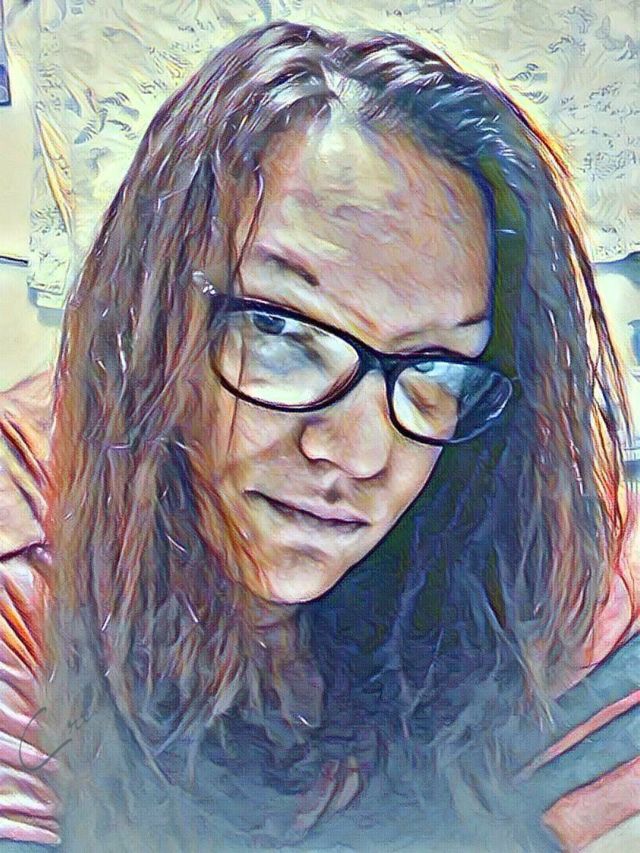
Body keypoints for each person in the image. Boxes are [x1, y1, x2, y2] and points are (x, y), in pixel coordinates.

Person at [1, 20, 639, 853]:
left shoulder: (506, 503)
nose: (358, 453)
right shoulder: (28, 551)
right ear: (153, 313)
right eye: (280, 328)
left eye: (436, 365)